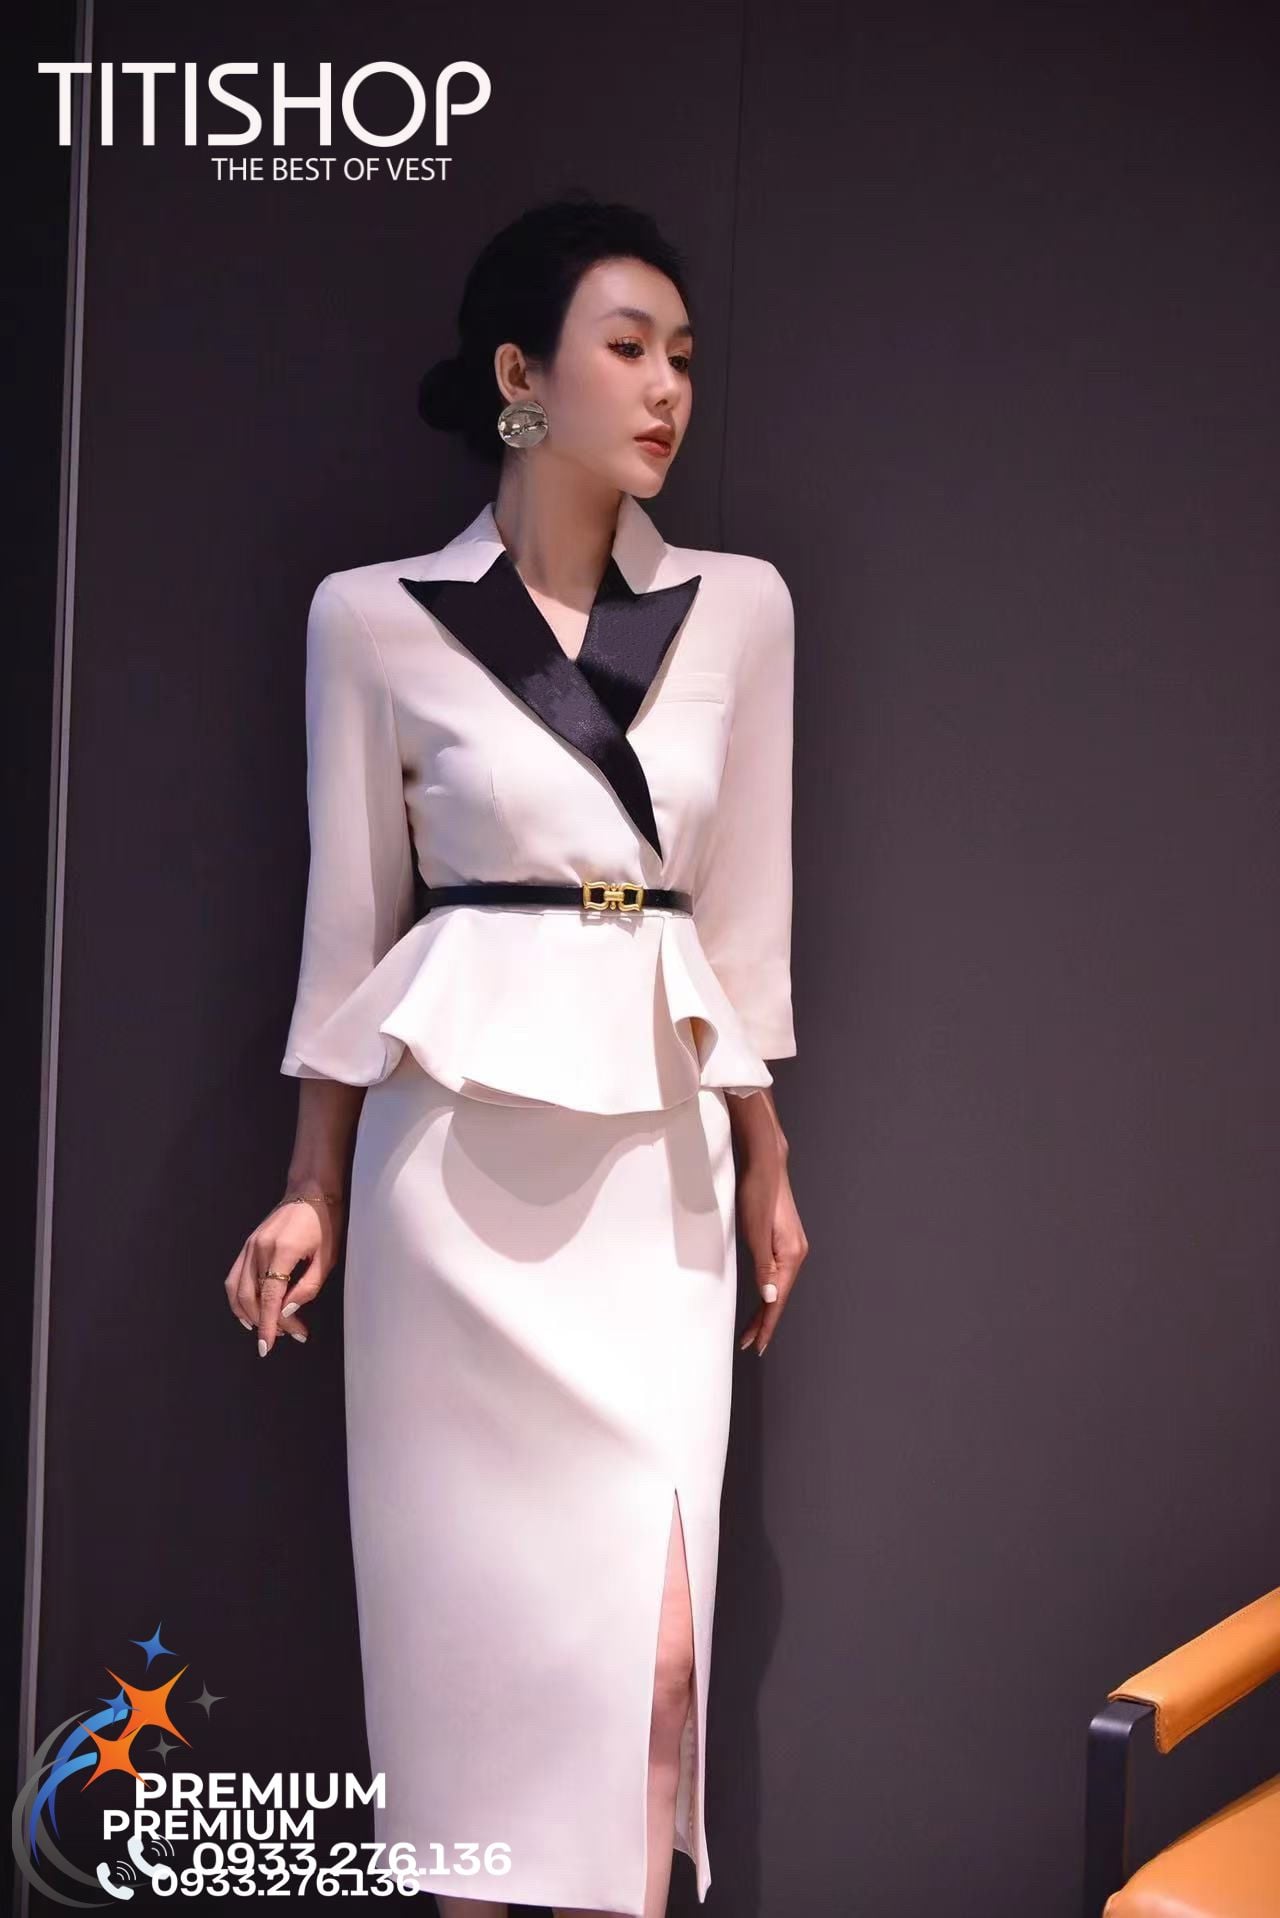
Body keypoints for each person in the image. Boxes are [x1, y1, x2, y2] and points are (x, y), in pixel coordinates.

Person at [223, 195, 810, 1918]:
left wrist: (770, 1153)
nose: (667, 387)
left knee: (659, 1669)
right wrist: (312, 1185)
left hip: (659, 1166)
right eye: (628, 348)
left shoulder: (739, 608)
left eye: (683, 355)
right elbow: (348, 930)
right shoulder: (374, 617)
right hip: (450, 1182)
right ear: (520, 378)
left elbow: (744, 924)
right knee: (470, 1689)